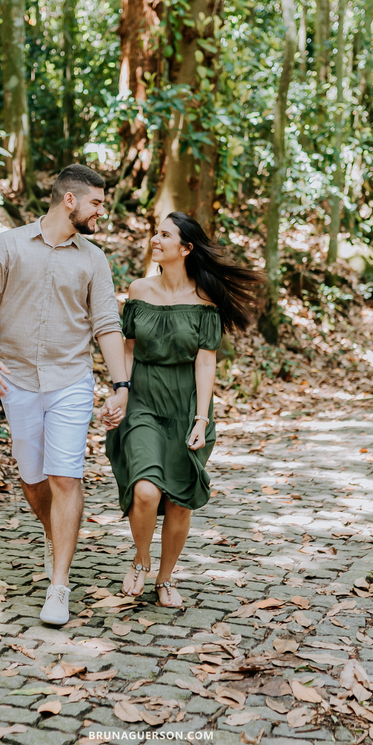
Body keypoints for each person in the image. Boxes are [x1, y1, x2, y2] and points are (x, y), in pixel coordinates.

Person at [0, 164, 130, 626]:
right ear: (70, 201)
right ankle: (54, 535)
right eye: (97, 202)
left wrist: (121, 387)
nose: (103, 210)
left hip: (71, 381)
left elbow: (106, 326)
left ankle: (59, 584)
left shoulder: (94, 258)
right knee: (33, 479)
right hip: (16, 379)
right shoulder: (9, 244)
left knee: (65, 477)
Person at [105, 212, 263, 607]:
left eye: (164, 235)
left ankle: (165, 579)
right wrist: (120, 393)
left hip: (188, 405)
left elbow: (205, 361)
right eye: (156, 233)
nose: (154, 239)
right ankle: (140, 560)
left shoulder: (204, 299)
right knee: (145, 490)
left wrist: (202, 418)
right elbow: (127, 348)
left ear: (186, 248)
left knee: (178, 498)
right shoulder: (139, 290)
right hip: (143, 400)